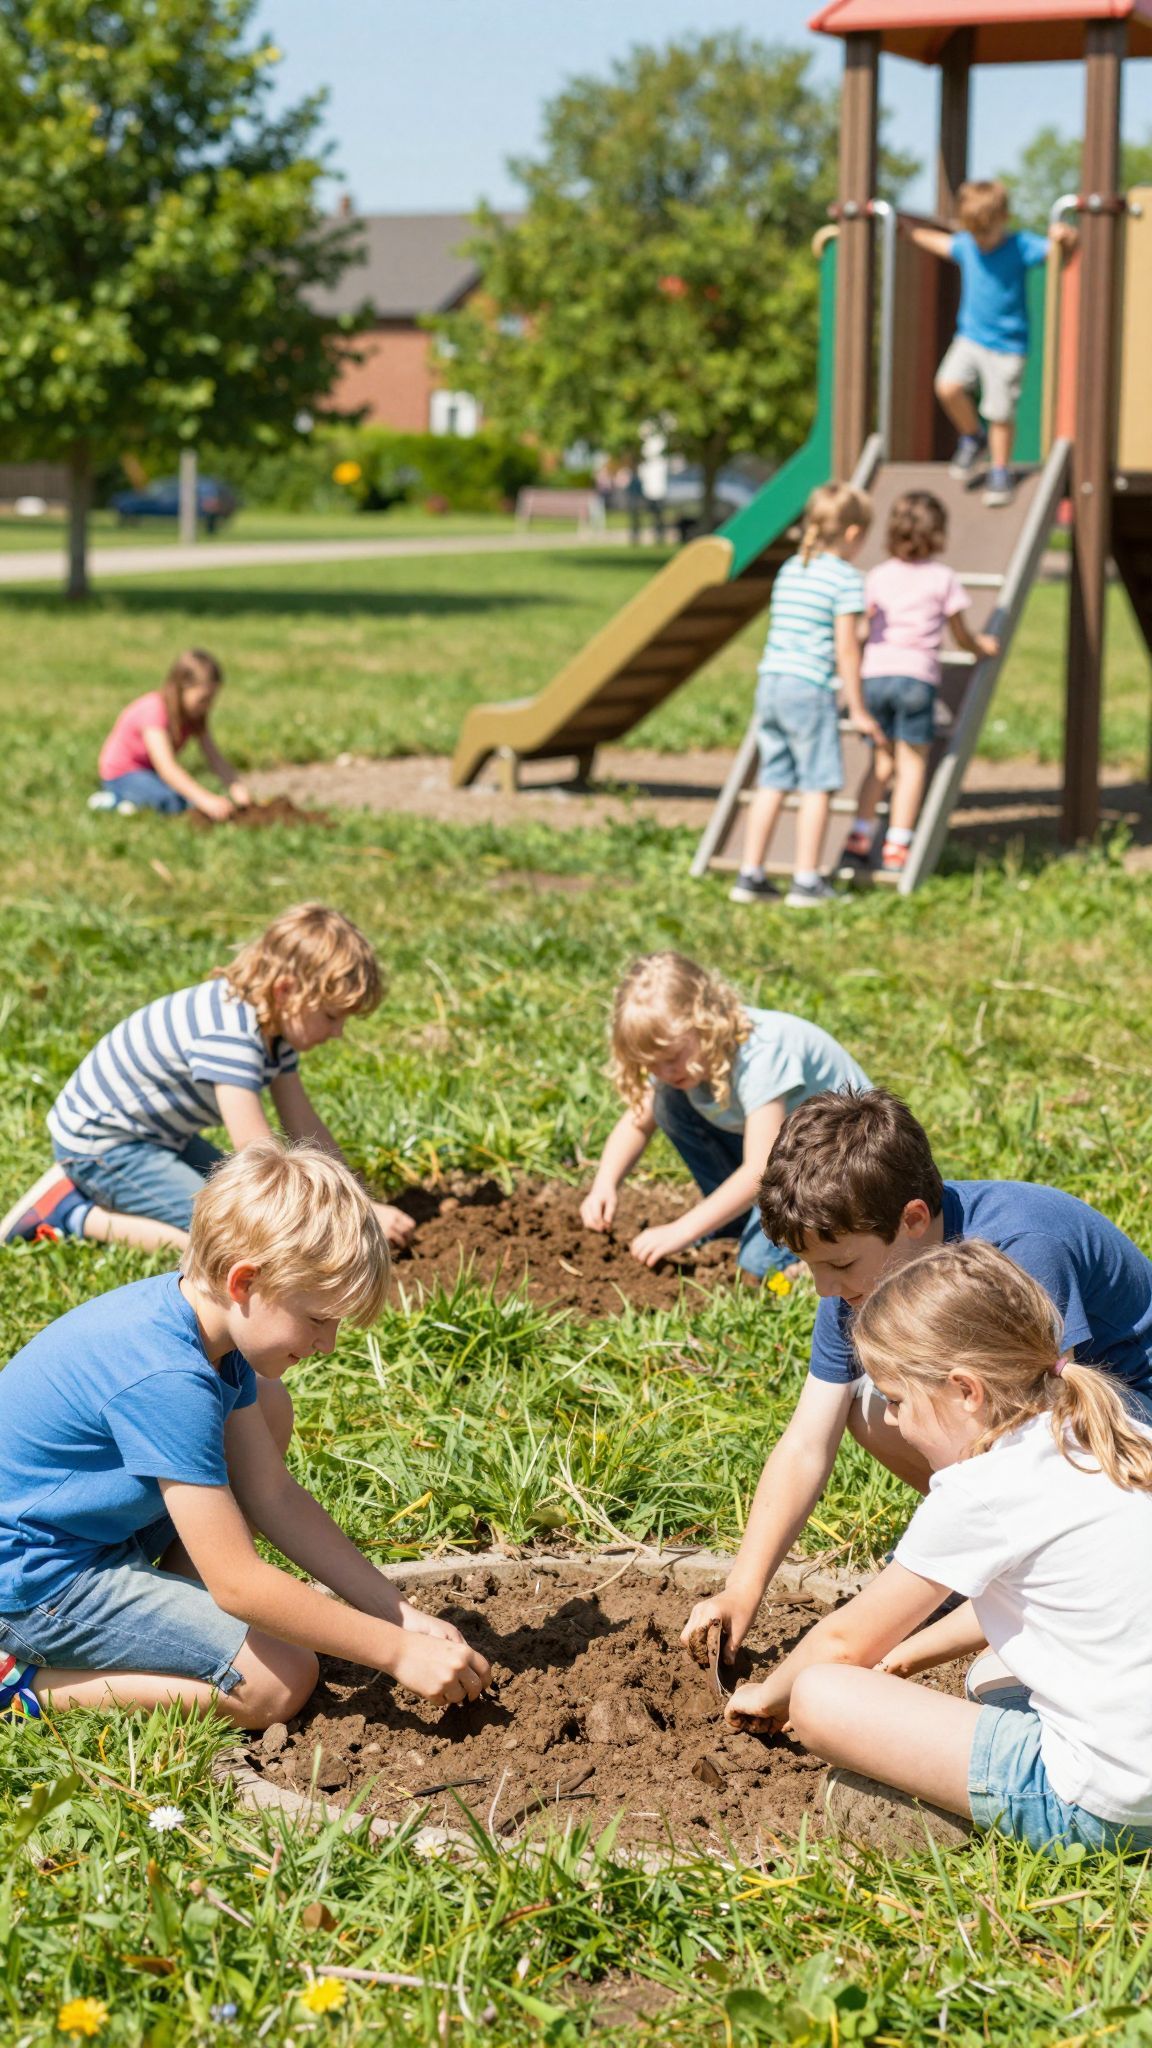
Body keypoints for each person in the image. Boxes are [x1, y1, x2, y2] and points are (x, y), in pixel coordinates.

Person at [0, 1142, 491, 1727]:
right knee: (277, 1683)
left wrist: (393, 1611)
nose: (327, 1345)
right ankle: (25, 1687)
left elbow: (273, 1496)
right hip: (34, 1584)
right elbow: (237, 1583)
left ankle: (174, 1608)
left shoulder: (202, 1327)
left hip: (84, 1534)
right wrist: (397, 1652)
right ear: (244, 1282)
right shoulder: (168, 1378)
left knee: (268, 1404)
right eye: (317, 1319)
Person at [681, 1086, 1152, 1674]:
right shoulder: (863, 1275)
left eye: (840, 1264)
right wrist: (741, 1591)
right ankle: (984, 1568)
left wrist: (926, 1568)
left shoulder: (1021, 1250)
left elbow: (1044, 1440)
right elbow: (807, 1442)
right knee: (873, 1408)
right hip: (1038, 1428)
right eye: (813, 1267)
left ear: (912, 1219)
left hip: (1119, 1423)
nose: (826, 1289)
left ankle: (1035, 1578)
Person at [718, 1241, 1152, 1856]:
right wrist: (906, 1658)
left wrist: (768, 1694)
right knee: (988, 1678)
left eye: (895, 1400)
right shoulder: (1110, 1431)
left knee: (820, 1696)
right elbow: (1035, 1601)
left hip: (1107, 1802)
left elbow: (843, 1642)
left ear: (965, 1391)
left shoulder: (980, 1490)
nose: (890, 1421)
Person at [1, 902, 417, 1256]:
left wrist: (355, 1205)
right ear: (287, 991)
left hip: (157, 1137)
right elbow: (257, 1155)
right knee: (234, 1238)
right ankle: (70, 1212)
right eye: (331, 1016)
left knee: (248, 1212)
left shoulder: (272, 1028)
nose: (338, 1032)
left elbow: (304, 1126)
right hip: (103, 1144)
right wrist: (336, 1220)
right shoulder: (232, 1034)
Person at [579, 952, 870, 1284]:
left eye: (672, 1057)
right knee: (668, 1101)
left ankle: (810, 1254)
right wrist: (605, 1183)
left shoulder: (761, 1055)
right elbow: (638, 1120)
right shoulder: (688, 1062)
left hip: (844, 1168)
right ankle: (735, 1223)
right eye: (652, 1065)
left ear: (705, 1021)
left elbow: (759, 1169)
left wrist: (682, 1230)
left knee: (758, 1264)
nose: (663, 1072)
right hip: (789, 1161)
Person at [729, 482, 885, 910]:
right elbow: (846, 649)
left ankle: (751, 874)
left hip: (772, 683)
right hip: (809, 688)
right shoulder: (847, 579)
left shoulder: (792, 568)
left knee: (773, 779)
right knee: (818, 784)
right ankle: (806, 880)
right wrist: (857, 707)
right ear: (853, 535)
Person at [841, 491, 1000, 877]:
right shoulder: (942, 579)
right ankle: (897, 844)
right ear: (939, 535)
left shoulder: (877, 576)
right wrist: (982, 646)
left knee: (880, 762)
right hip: (915, 678)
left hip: (875, 677)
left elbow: (863, 626)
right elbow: (960, 634)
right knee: (912, 765)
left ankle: (859, 836)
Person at [907, 180, 1076, 509]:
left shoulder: (1019, 246)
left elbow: (1054, 250)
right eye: (975, 234)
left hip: (1007, 346)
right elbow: (941, 242)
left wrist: (1066, 237)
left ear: (1005, 219)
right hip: (969, 338)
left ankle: (1000, 469)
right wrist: (908, 232)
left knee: (999, 411)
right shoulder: (967, 245)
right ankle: (972, 436)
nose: (982, 242)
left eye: (987, 234)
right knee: (947, 386)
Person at [89, 647, 249, 820]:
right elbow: (166, 767)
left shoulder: (195, 715)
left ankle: (137, 800)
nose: (208, 706)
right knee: (172, 802)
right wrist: (205, 799)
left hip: (151, 773)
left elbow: (215, 758)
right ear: (181, 688)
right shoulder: (155, 711)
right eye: (203, 699)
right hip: (123, 774)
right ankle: (113, 800)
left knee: (183, 799)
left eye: (212, 699)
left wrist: (237, 789)